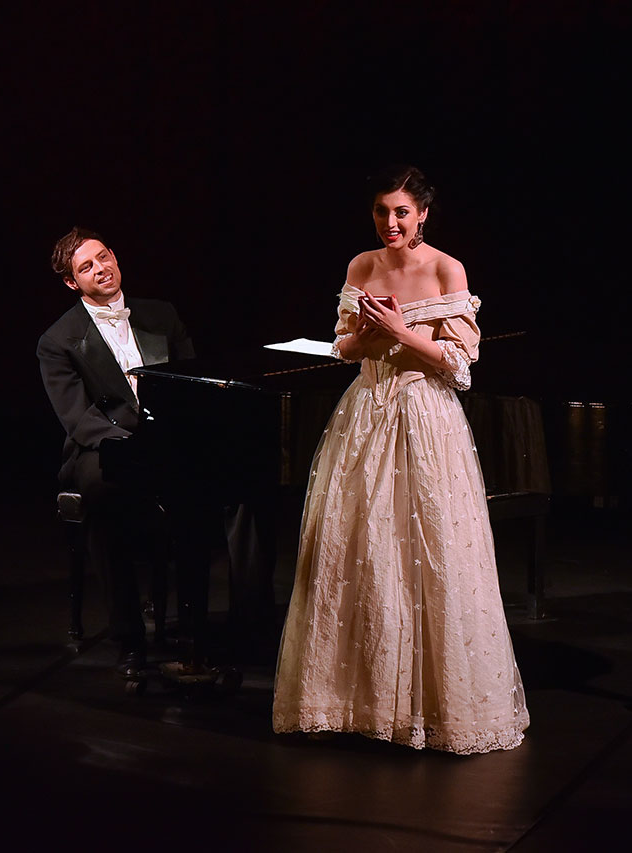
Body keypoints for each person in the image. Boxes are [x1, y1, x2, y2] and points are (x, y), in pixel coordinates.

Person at [272, 165, 530, 754]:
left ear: (423, 214)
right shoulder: (361, 265)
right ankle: (354, 703)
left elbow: (460, 364)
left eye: (402, 212)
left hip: (424, 416)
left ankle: (436, 707)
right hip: (366, 412)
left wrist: (401, 330)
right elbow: (343, 348)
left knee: (429, 550)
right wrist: (366, 335)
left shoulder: (446, 269)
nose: (391, 222)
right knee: (358, 551)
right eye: (382, 211)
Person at [38, 227, 195, 677]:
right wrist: (129, 444)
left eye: (104, 257)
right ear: (72, 282)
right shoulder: (58, 340)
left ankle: (206, 628)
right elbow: (77, 418)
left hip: (166, 438)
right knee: (104, 495)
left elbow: (190, 382)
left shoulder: (161, 314)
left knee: (228, 481)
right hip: (103, 444)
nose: (101, 269)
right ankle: (129, 639)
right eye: (86, 266)